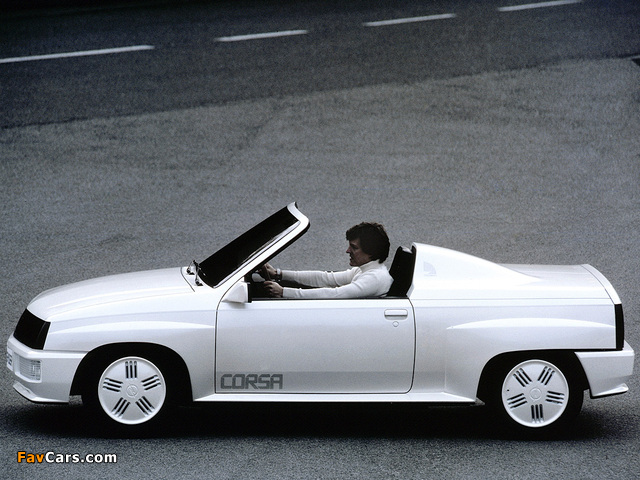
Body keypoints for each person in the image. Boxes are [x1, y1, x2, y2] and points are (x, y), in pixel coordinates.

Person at [261, 222, 393, 299]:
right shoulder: (366, 269)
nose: (347, 251)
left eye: (354, 247)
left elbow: (334, 294)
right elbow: (325, 278)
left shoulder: (374, 278)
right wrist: (278, 273)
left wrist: (283, 292)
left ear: (370, 252)